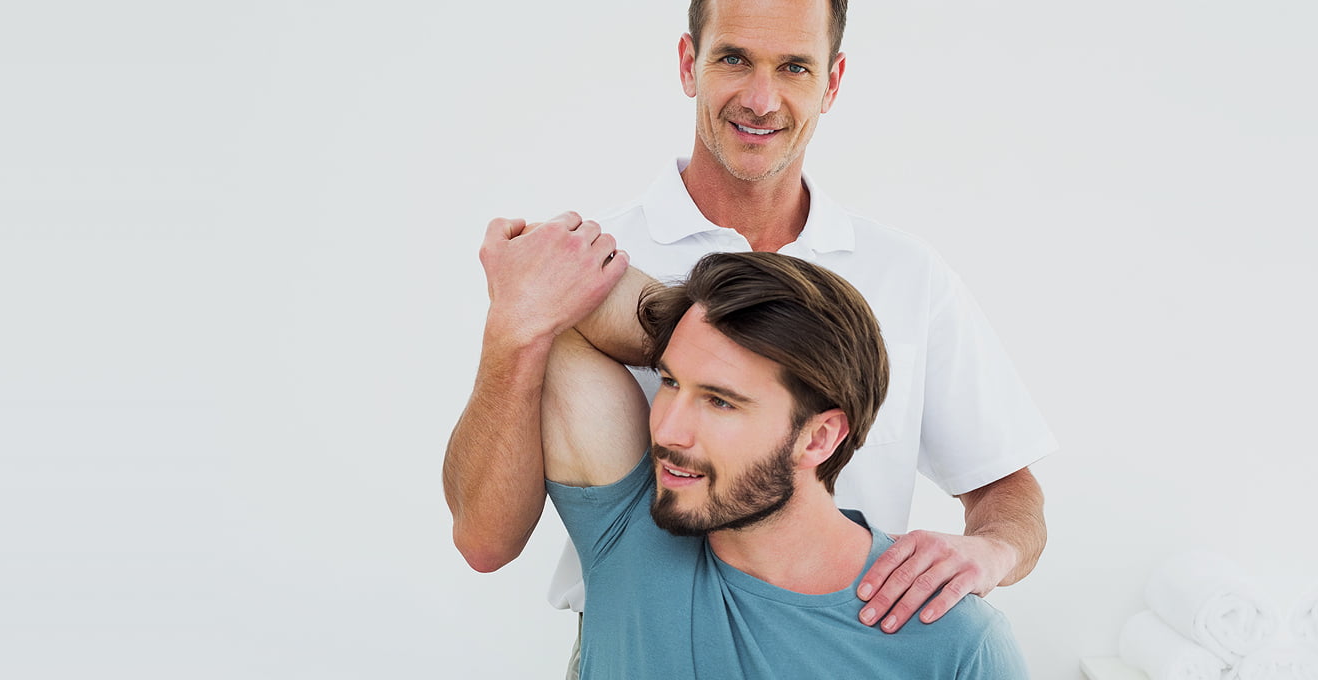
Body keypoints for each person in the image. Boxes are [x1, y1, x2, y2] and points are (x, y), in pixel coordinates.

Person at [443, 0, 1057, 670]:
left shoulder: (907, 274)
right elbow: (485, 541)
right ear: (689, 65)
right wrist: (521, 321)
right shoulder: (597, 257)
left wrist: (992, 550)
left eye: (794, 67)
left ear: (832, 81)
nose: (762, 99)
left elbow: (1006, 488)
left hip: (857, 648)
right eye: (734, 58)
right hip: (648, 634)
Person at [525, 246, 1028, 678]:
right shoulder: (625, 530)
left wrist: (999, 545)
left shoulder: (955, 642)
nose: (668, 431)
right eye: (671, 381)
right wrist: (703, 332)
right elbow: (552, 285)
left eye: (721, 401)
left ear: (819, 438)